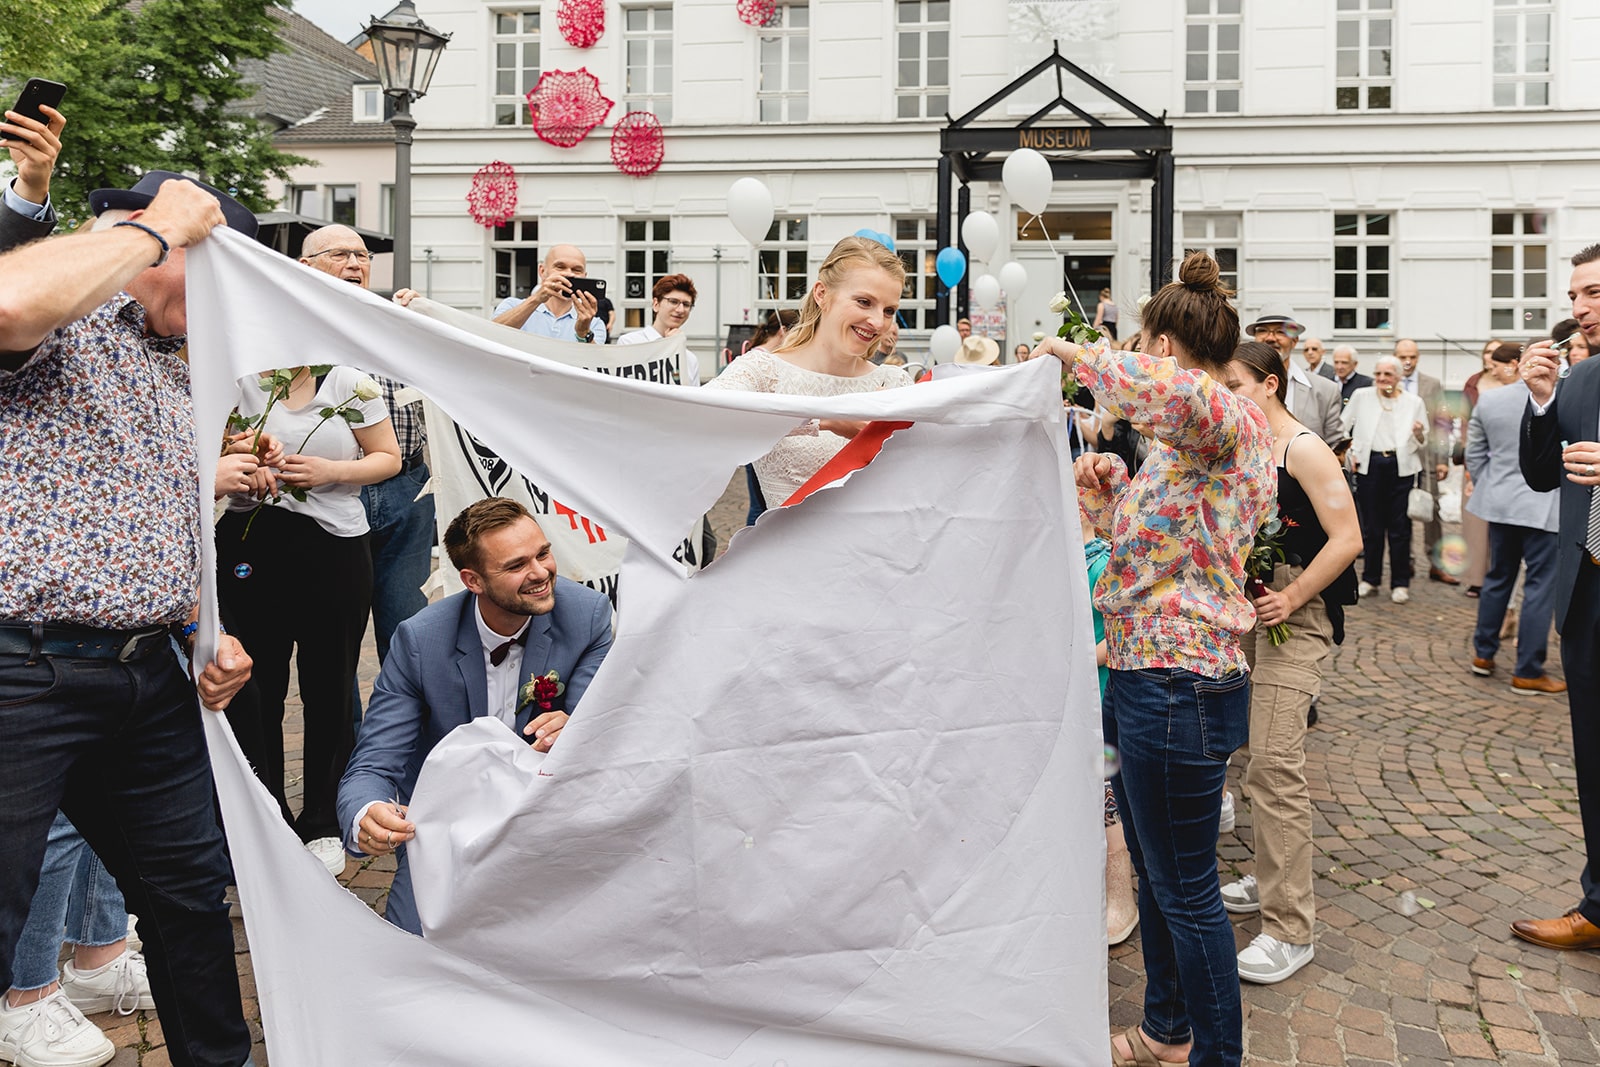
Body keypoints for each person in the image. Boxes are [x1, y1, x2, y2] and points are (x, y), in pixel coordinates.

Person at [0, 170, 258, 1067]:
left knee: (191, 896)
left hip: (148, 675)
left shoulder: (179, 366)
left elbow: (163, 523)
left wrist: (201, 633)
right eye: (221, 272)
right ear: (165, 245)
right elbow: (4, 306)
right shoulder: (66, 318)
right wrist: (154, 229)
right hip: (21, 670)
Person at [1040, 251, 1274, 1067]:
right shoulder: (1185, 444)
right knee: (1156, 872)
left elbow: (1166, 394)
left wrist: (1074, 352)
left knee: (1188, 891)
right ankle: (1166, 1032)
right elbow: (1165, 558)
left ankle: (1215, 1055)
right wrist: (1109, 497)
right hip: (1142, 677)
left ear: (1164, 349)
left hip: (1177, 687)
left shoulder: (1228, 415)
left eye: (1145, 347)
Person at [336, 498, 613, 935]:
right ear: (473, 580)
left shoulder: (587, 616)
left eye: (542, 553)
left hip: (546, 815)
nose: (540, 572)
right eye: (517, 565)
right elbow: (373, 763)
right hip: (447, 825)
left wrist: (576, 729)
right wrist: (366, 813)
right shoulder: (419, 641)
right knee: (414, 943)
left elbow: (602, 728)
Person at [215, 357, 401, 875]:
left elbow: (389, 457)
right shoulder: (239, 381)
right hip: (253, 540)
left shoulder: (349, 383)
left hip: (335, 546)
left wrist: (329, 471)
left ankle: (322, 817)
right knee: (256, 687)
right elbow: (207, 450)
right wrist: (239, 462)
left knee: (330, 684)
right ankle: (265, 815)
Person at [1216, 342, 1361, 985]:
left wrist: (1296, 595)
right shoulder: (1241, 446)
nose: (1225, 395)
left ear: (1269, 385)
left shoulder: (1302, 448)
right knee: (1251, 751)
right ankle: (1268, 872)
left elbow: (1348, 538)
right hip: (1247, 612)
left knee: (1276, 762)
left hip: (1294, 617)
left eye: (1236, 384)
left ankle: (1290, 928)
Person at [1513, 242, 1600, 950]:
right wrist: (1541, 399)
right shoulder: (1579, 380)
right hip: (1589, 591)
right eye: (1574, 296)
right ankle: (1599, 903)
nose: (1578, 309)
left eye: (1594, 293)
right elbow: (1544, 477)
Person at [300, 231, 436, 680]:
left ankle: (407, 737)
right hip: (329, 492)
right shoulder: (289, 323)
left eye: (362, 255)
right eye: (341, 254)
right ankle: (349, 746)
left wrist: (425, 319)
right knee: (337, 637)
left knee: (408, 629)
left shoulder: (394, 316)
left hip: (407, 491)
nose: (355, 263)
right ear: (306, 264)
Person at [704, 237, 912, 508]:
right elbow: (701, 417)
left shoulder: (895, 382)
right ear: (822, 294)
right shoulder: (763, 371)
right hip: (787, 545)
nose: (877, 322)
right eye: (863, 302)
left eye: (889, 310)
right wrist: (827, 420)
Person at [1465, 345, 1563, 694]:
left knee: (1497, 578)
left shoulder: (1491, 400)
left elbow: (1474, 453)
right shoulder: (1562, 399)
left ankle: (1483, 653)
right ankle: (1528, 670)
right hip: (1545, 505)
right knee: (1539, 587)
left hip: (1501, 502)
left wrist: (1491, 485)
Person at [1342, 355, 1428, 602]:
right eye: (1378, 374)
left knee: (1401, 528)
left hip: (1402, 467)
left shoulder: (1414, 402)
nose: (1381, 379)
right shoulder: (1362, 396)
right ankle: (1370, 578)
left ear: (1399, 377)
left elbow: (1423, 440)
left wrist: (1419, 433)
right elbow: (1342, 426)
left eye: (1388, 375)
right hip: (1371, 465)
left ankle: (1400, 583)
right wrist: (1350, 453)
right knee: (1372, 527)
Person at [1394, 338, 1457, 585]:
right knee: (1400, 512)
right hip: (1399, 459)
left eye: (1412, 357)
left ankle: (1436, 563)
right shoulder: (1388, 381)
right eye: (1402, 357)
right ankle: (1405, 561)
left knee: (1433, 511)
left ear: (1418, 357)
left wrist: (1443, 460)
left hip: (1427, 459)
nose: (1408, 361)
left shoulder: (1432, 384)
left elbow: (1442, 423)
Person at [1461, 344, 1519, 596]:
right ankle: (1478, 578)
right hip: (1485, 468)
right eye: (1487, 354)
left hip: (1504, 473)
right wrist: (1474, 473)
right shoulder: (1474, 384)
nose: (1491, 364)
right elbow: (1467, 430)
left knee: (1505, 548)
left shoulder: (1524, 391)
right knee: (1477, 526)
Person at [1243, 305, 1343, 447]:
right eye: (1263, 331)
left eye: (1280, 332)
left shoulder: (1325, 391)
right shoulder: (1236, 386)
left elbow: (1337, 448)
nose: (1271, 338)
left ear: (1294, 341)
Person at [490, 244, 606, 343]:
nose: (569, 274)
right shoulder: (511, 305)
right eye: (560, 267)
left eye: (577, 270)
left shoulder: (593, 323)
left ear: (584, 276)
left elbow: (594, 365)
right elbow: (491, 336)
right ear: (542, 271)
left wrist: (584, 333)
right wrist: (535, 300)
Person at [618, 273, 701, 386]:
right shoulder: (630, 343)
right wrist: (668, 347)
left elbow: (691, 399)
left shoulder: (690, 360)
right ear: (656, 304)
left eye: (686, 304)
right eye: (673, 301)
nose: (680, 309)